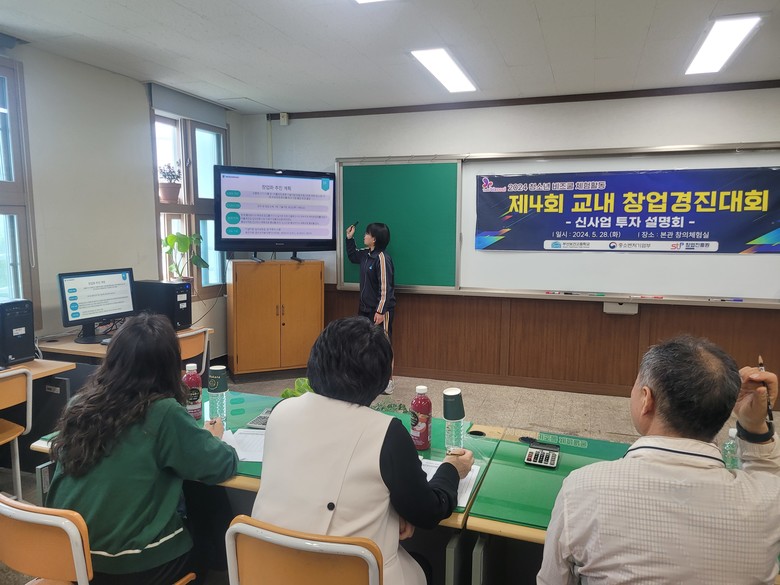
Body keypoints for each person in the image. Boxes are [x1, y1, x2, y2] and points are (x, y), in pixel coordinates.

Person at [537, 336, 780, 585]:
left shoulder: (582, 489)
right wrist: (754, 425)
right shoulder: (768, 502)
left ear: (646, 399)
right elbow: (768, 480)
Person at [252, 316, 474, 585]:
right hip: (346, 574)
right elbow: (427, 512)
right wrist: (451, 469)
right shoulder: (386, 433)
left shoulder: (280, 412)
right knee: (423, 565)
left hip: (267, 569)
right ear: (383, 379)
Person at [47, 313, 239, 585]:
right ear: (169, 365)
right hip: (132, 565)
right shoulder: (163, 412)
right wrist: (215, 439)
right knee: (205, 493)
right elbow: (221, 465)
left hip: (71, 557)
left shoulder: (78, 405)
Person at [346, 221, 396, 393]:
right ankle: (368, 380)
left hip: (380, 310)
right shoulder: (366, 254)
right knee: (364, 344)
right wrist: (349, 239)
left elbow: (385, 287)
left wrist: (380, 311)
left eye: (367, 234)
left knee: (383, 345)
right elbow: (352, 256)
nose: (364, 236)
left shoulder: (382, 258)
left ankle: (388, 382)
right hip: (364, 308)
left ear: (374, 239)